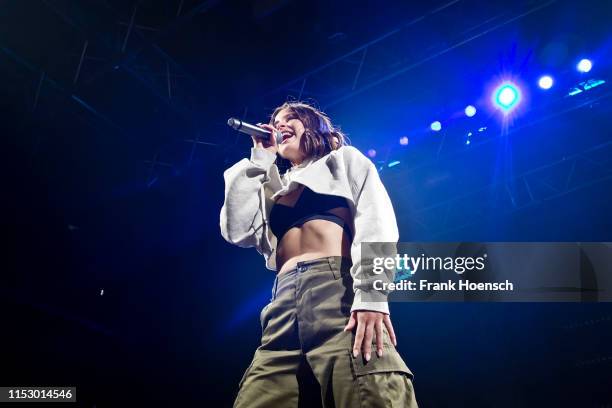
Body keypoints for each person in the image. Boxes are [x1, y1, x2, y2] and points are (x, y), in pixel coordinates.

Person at [220, 101, 417, 407]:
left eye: (291, 118)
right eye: (276, 121)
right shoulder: (275, 185)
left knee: (372, 391)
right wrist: (260, 158)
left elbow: (376, 224)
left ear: (312, 125)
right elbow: (238, 231)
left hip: (336, 291)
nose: (279, 124)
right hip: (282, 304)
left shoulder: (343, 161)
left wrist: (371, 297)